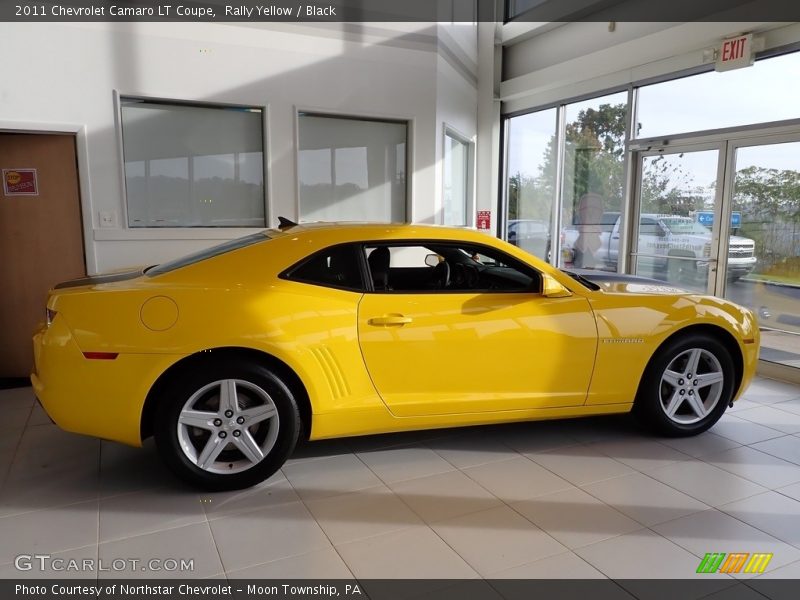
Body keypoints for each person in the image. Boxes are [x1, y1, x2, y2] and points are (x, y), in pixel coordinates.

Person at [572, 192, 604, 269]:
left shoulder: (594, 224)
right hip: (584, 243)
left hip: (588, 242)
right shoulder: (584, 221)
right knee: (582, 259)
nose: (591, 211)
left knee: (585, 260)